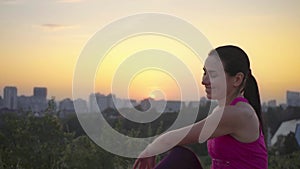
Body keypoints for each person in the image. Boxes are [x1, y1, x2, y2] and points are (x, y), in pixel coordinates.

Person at [133, 45, 268, 169]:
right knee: (181, 156)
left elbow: (178, 137)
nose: (204, 81)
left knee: (179, 157)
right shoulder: (222, 111)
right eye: (205, 73)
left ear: (237, 79)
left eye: (213, 75)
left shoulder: (238, 114)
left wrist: (151, 149)